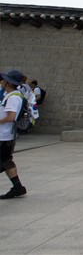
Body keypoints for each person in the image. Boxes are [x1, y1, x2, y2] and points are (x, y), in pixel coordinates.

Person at [0, 69, 28, 199]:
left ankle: (18, 188)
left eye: (4, 80)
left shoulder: (13, 97)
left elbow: (11, 117)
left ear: (9, 83)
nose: (1, 81)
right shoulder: (10, 95)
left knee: (5, 162)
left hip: (4, 136)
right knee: (7, 162)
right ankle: (18, 188)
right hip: (5, 136)